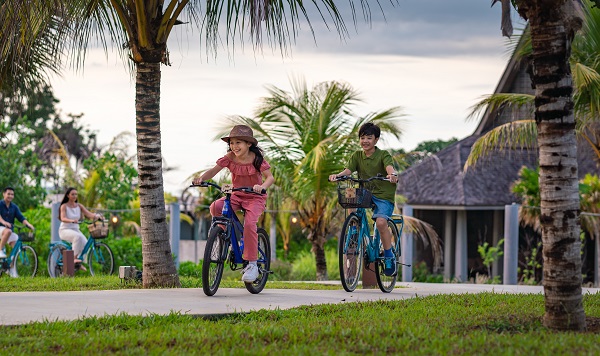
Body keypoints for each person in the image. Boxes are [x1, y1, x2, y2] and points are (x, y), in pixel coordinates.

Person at [193, 125, 274, 282]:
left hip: (254, 197)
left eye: (238, 143)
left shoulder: (257, 159)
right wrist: (202, 178)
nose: (234, 147)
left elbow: (270, 177)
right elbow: (213, 171)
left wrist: (262, 187)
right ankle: (223, 234)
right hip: (236, 195)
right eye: (232, 143)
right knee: (215, 206)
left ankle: (252, 264)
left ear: (248, 144)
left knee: (250, 225)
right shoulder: (230, 157)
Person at [329, 122, 399, 276]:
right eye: (362, 138)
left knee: (381, 222)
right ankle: (354, 227)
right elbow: (348, 170)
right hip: (365, 191)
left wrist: (392, 175)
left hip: (383, 195)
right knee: (350, 192)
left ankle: (389, 255)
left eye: (369, 137)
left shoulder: (383, 155)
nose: (365, 141)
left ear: (376, 140)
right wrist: (337, 176)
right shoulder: (356, 156)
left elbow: (389, 167)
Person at [58, 187, 103, 269]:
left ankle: (78, 262)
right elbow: (63, 218)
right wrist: (71, 220)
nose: (75, 196)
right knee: (77, 237)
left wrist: (98, 216)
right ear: (68, 195)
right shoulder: (64, 206)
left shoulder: (79, 206)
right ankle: (74, 259)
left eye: (76, 194)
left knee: (85, 244)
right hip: (65, 230)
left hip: (75, 230)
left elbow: (89, 214)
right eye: (72, 194)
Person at [0, 187, 35, 259]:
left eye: (12, 194)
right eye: (8, 194)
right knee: (8, 231)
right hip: (1, 228)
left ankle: (10, 267)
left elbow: (21, 218)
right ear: (4, 194)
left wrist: (28, 224)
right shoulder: (0, 204)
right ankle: (0, 250)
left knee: (16, 247)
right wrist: (4, 222)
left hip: (9, 231)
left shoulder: (14, 207)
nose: (10, 196)